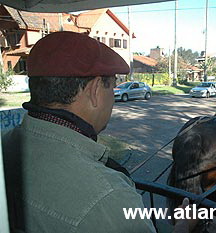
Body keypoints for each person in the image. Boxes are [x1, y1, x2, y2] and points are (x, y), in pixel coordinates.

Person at [2, 31, 193, 233]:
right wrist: (183, 226)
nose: (113, 98)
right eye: (112, 87)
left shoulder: (5, 146)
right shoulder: (109, 197)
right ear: (94, 91)